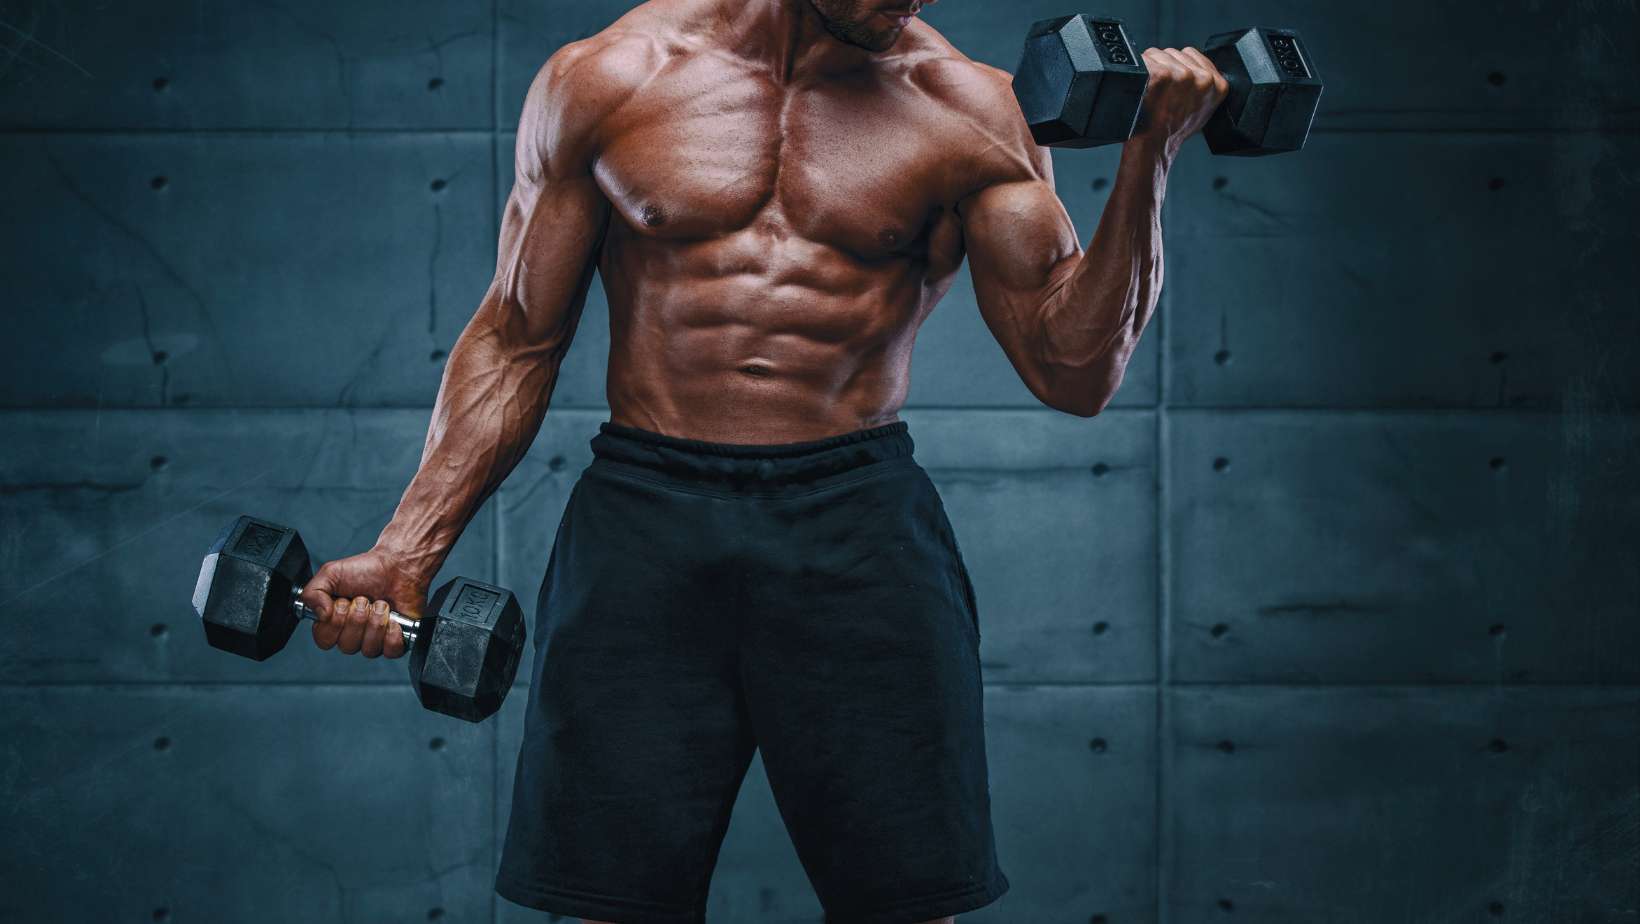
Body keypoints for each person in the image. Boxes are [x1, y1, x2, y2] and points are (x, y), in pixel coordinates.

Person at [297, 0, 1227, 921]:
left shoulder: (970, 108)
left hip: (855, 524)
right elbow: (515, 337)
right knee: (611, 904)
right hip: (644, 517)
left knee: (905, 905)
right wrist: (410, 550)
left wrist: (1152, 155)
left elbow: (1074, 372)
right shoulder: (612, 75)